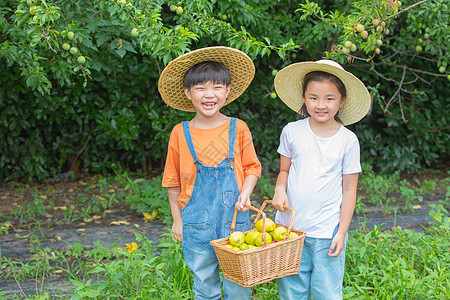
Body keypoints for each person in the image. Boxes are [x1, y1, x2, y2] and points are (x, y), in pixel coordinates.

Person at [158, 46, 261, 300]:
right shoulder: (180, 133)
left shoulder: (239, 128)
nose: (209, 94)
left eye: (216, 87)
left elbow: (252, 168)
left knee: (239, 283)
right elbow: (172, 183)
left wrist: (246, 193)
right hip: (195, 222)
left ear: (227, 91)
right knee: (204, 284)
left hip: (236, 218)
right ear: (188, 93)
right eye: (201, 88)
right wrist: (177, 220)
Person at [271, 59, 371, 299]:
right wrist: (279, 190)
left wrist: (342, 231)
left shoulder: (348, 140)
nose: (320, 105)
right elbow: (284, 171)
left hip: (328, 230)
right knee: (291, 289)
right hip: (290, 229)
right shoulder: (292, 131)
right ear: (304, 98)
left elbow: (349, 191)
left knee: (327, 290)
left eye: (329, 98)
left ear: (342, 101)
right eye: (313, 97)